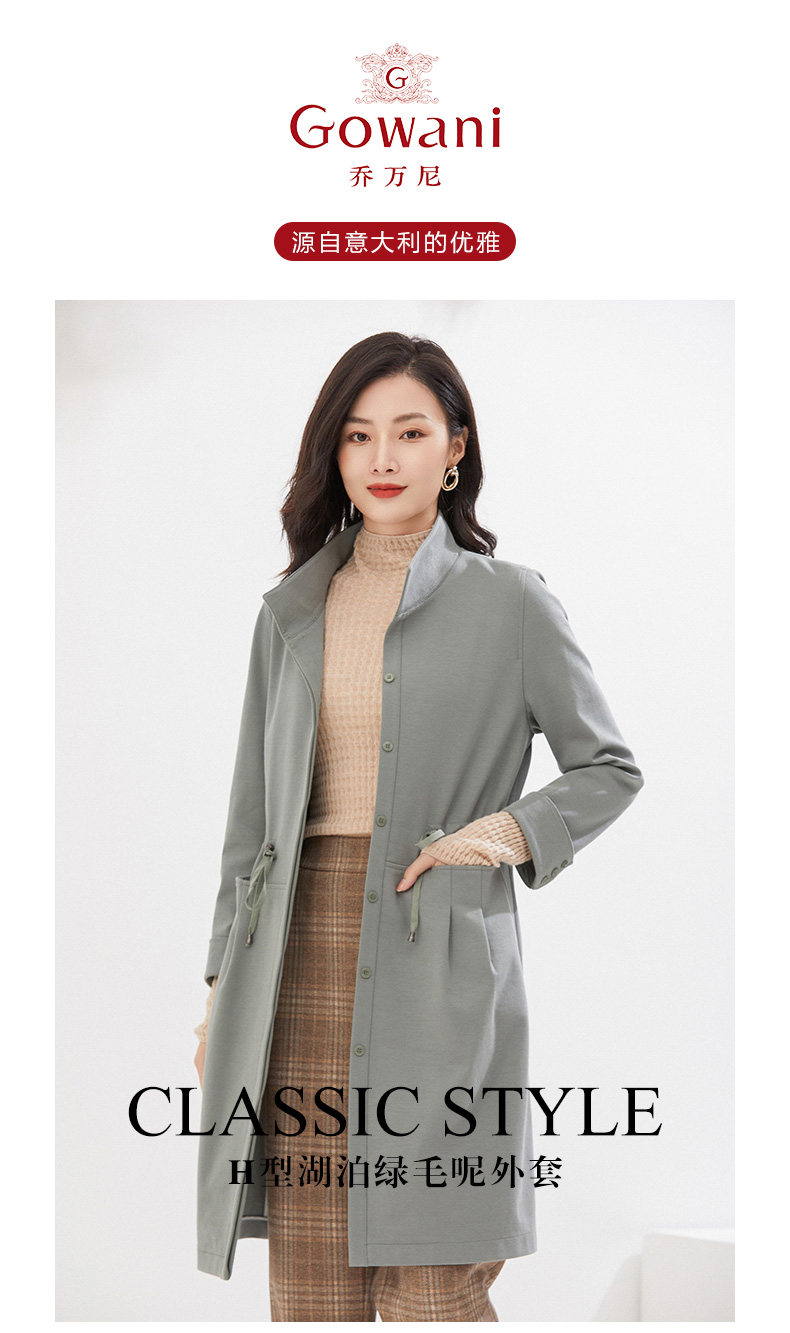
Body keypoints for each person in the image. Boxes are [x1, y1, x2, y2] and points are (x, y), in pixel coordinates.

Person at [193, 332, 644, 1320]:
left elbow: (609, 769)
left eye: (409, 431)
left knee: (437, 1284)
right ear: (335, 452)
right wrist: (223, 988)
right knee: (314, 1289)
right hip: (295, 961)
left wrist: (498, 836)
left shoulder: (512, 601)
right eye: (358, 435)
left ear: (455, 448)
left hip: (435, 954)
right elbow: (248, 825)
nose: (382, 458)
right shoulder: (290, 614)